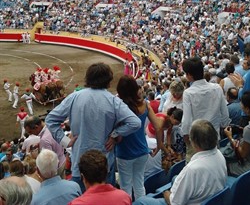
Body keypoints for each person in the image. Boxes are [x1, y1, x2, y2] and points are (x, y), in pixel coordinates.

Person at [45, 63, 141, 191]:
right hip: (104, 163)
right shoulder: (113, 100)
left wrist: (65, 140)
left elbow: (50, 119)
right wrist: (115, 135)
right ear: (108, 81)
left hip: (80, 163)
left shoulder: (75, 97)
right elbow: (135, 122)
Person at [133, 119, 227, 205]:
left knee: (141, 201)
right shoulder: (219, 154)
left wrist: (166, 194)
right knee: (175, 178)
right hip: (210, 198)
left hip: (192, 201)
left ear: (194, 142)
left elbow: (174, 203)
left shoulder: (192, 169)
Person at [115, 75, 161, 200]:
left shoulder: (119, 107)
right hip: (142, 150)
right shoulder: (145, 105)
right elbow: (157, 126)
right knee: (139, 184)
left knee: (126, 187)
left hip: (125, 152)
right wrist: (160, 146)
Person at [181, 57, 230, 147]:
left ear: (189, 75)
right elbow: (225, 113)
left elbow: (186, 120)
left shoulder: (188, 93)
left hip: (198, 138)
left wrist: (185, 135)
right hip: (214, 135)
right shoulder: (217, 88)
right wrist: (224, 125)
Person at [223, 91, 250, 176]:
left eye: (241, 103)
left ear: (247, 109)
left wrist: (230, 137)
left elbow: (242, 154)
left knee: (223, 165)